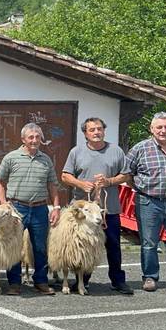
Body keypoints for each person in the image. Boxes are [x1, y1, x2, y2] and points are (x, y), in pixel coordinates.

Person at [61, 117, 133, 294]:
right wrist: (81, 184)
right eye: (92, 130)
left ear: (104, 131)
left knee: (113, 245)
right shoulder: (76, 152)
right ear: (85, 133)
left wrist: (109, 181)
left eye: (99, 129)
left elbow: (126, 175)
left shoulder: (115, 151)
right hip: (83, 213)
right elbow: (65, 176)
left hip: (109, 210)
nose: (96, 132)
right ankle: (82, 280)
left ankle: (117, 281)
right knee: (84, 246)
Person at [0, 123, 60, 296]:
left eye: (37, 137)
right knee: (15, 246)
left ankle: (41, 281)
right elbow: (0, 181)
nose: (34, 140)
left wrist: (56, 207)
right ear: (23, 139)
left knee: (40, 247)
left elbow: (52, 184)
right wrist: (3, 203)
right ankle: (14, 283)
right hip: (17, 208)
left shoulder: (46, 160)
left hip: (40, 209)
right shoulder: (11, 157)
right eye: (30, 137)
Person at [125, 112, 166, 292]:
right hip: (149, 202)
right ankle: (150, 277)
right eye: (159, 127)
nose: (163, 130)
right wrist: (141, 189)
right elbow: (127, 173)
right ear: (152, 129)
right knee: (149, 243)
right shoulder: (140, 149)